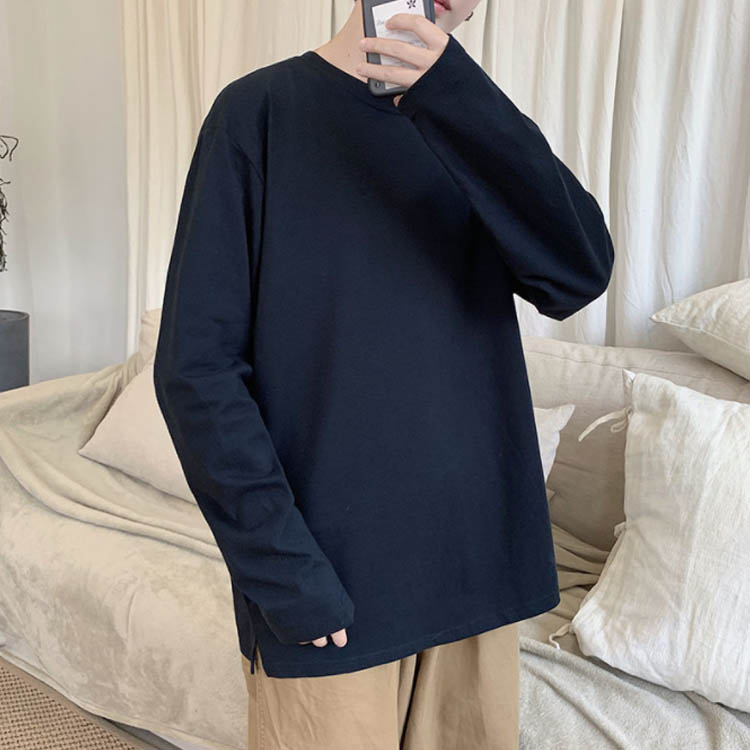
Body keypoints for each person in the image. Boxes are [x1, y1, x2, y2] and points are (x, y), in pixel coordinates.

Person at [152, 0, 615, 747]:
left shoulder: (474, 124)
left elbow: (578, 274)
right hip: (331, 583)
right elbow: (196, 371)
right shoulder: (257, 114)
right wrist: (283, 573)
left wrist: (457, 96)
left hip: (476, 576)